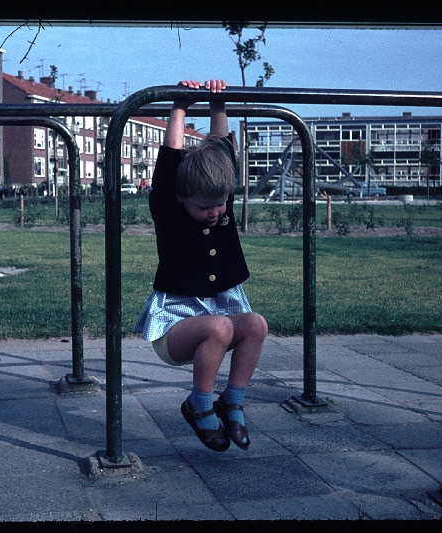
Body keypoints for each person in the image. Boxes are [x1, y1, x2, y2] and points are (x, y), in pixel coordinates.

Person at [133, 80, 268, 451]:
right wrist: (180, 105)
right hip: (174, 328)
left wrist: (217, 103)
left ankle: (233, 402)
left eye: (220, 203)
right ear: (181, 198)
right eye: (204, 207)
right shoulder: (170, 210)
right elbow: (169, 160)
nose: (214, 212)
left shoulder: (222, 206)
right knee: (220, 326)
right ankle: (199, 405)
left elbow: (222, 152)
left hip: (217, 323)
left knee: (256, 324)